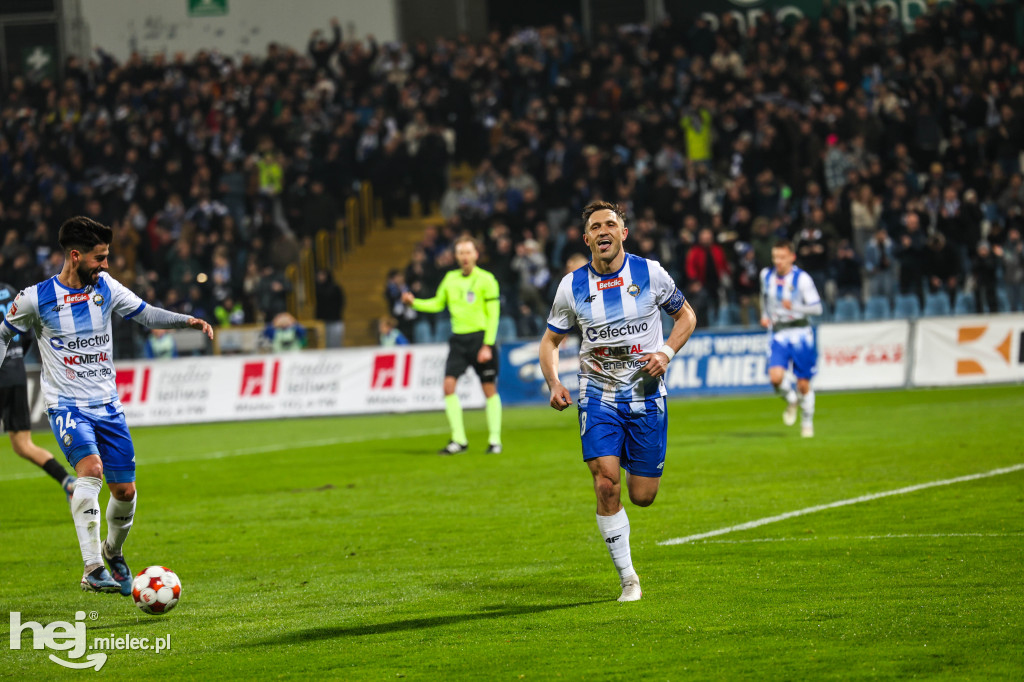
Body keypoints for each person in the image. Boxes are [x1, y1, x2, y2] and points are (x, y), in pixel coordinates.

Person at [0, 217, 213, 594]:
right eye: (100, 258)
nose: (106, 265)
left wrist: (187, 321)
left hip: (108, 406)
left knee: (125, 492)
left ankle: (112, 553)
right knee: (91, 470)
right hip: (66, 406)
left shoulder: (107, 288)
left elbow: (145, 313)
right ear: (76, 256)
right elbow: (4, 333)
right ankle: (93, 568)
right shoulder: (34, 298)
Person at [539, 201, 697, 602]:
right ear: (587, 237)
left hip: (645, 394)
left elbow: (687, 318)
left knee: (642, 496)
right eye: (596, 226)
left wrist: (665, 353)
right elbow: (550, 341)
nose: (604, 230)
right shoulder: (571, 286)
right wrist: (554, 381)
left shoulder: (650, 273)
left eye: (612, 223)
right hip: (598, 394)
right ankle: (628, 578)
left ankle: (634, 470)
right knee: (605, 482)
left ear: (624, 233)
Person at [401, 236, 502, 455]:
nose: (465, 257)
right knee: (448, 387)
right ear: (455, 256)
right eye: (460, 253)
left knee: (489, 389)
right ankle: (459, 440)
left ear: (476, 254)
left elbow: (494, 315)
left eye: (468, 252)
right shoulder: (450, 279)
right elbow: (437, 304)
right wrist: (414, 302)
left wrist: (488, 345)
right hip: (458, 340)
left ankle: (494, 440)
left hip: (480, 339)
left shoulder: (486, 280)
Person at [0, 280, 77, 502]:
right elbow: (28, 333)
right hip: (16, 373)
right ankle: (66, 480)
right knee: (23, 445)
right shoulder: (11, 292)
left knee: (23, 444)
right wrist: (15, 359)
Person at [760, 240, 824, 438]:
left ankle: (807, 422)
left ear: (792, 257)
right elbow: (763, 296)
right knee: (775, 378)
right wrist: (764, 314)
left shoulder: (802, 279)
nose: (777, 261)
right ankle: (791, 398)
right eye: (775, 257)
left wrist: (794, 308)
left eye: (781, 257)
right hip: (779, 333)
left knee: (803, 383)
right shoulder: (766, 275)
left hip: (800, 334)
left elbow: (817, 308)